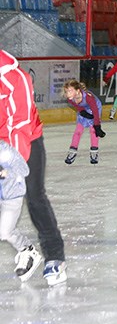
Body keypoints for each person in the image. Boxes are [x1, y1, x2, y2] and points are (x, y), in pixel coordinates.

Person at [0, 50, 66, 285]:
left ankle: (54, 256)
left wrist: (12, 166)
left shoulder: (13, 77)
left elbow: (21, 123)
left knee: (34, 196)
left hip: (25, 141)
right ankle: (26, 249)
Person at [0, 138, 42, 282]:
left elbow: (24, 169)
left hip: (12, 196)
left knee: (5, 231)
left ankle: (27, 250)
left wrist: (6, 173)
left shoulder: (5, 151)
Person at [63, 79, 105, 165]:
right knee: (78, 131)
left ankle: (94, 152)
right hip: (84, 109)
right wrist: (83, 112)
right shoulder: (70, 99)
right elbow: (77, 106)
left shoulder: (88, 97)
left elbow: (95, 111)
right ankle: (72, 152)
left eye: (70, 91)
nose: (68, 94)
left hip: (95, 108)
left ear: (78, 91)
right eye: (66, 91)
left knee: (93, 131)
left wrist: (97, 125)